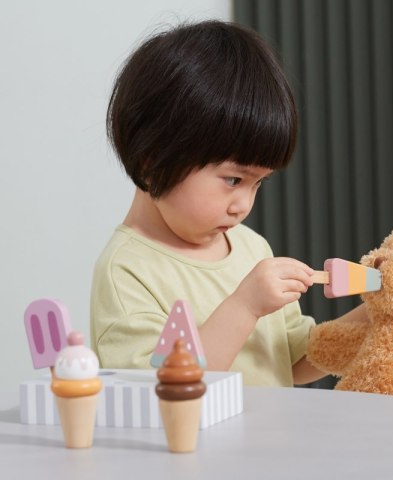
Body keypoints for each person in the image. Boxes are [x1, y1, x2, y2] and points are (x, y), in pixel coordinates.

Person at [90, 19, 366, 387]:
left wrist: (376, 314)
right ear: (152, 161)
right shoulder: (128, 271)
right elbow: (163, 388)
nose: (243, 205)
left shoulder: (251, 247)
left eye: (259, 183)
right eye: (233, 180)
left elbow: (295, 360)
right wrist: (245, 306)